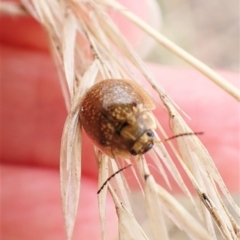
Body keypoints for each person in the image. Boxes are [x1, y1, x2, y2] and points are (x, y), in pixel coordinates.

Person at [1, 0, 239, 239]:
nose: (145, 144)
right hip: (103, 99)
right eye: (148, 136)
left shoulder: (136, 116)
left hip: (107, 98)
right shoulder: (114, 142)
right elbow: (108, 140)